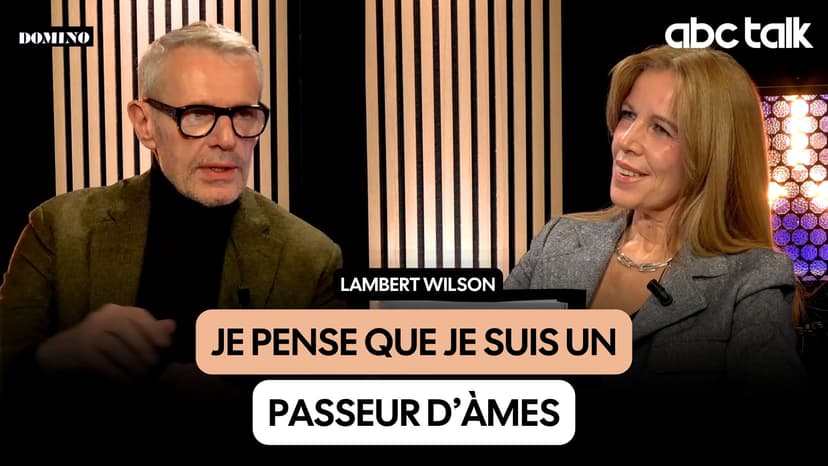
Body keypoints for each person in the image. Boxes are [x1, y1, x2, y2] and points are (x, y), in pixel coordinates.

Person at [0, 21, 343, 453]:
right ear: (144, 123)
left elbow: (333, 416)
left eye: (244, 114)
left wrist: (246, 409)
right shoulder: (57, 229)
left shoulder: (312, 259)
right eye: (197, 114)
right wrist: (52, 362)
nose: (227, 140)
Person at [504, 45, 809, 447]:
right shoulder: (558, 240)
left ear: (711, 153)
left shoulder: (751, 280)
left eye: (661, 129)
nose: (626, 140)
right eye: (628, 115)